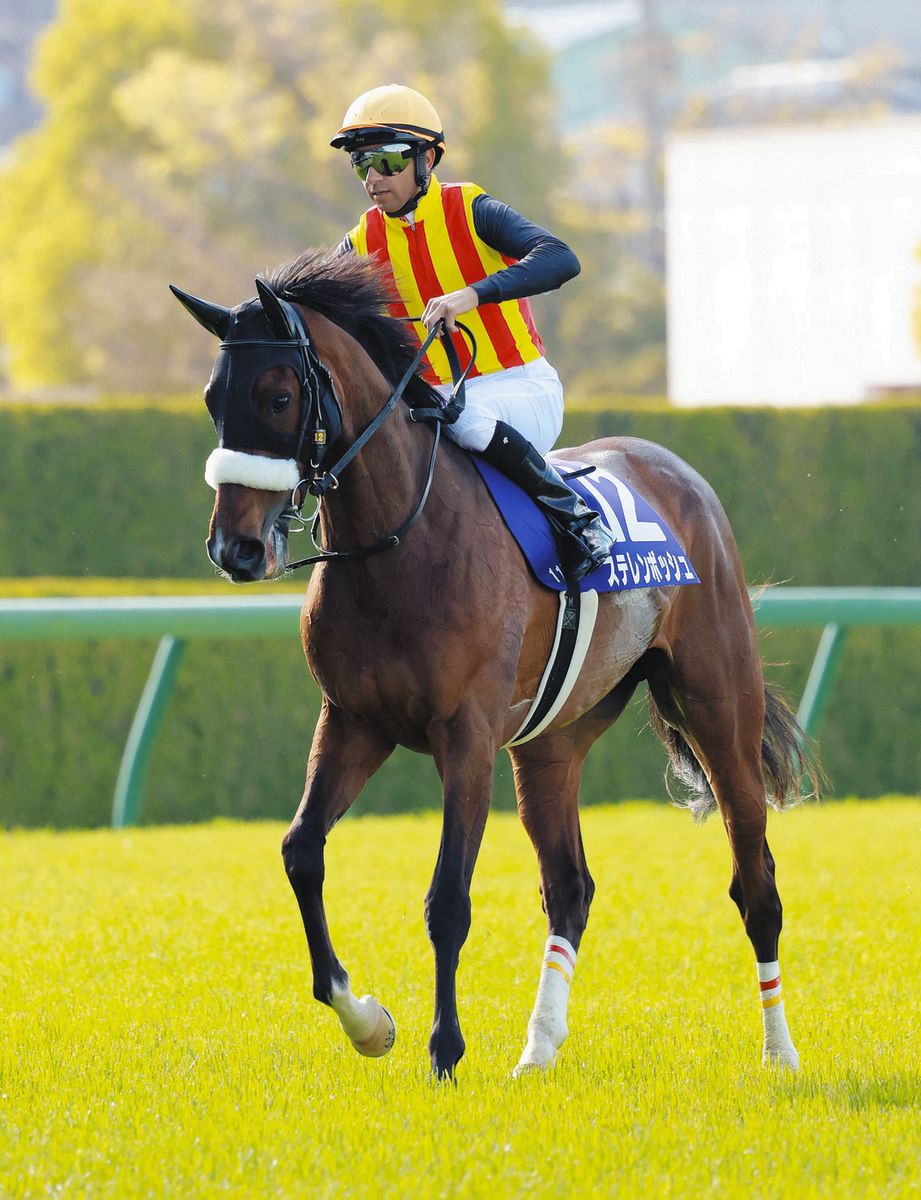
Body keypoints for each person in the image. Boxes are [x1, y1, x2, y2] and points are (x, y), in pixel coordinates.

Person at [330, 83, 614, 583]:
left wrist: (472, 295)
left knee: (464, 416)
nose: (374, 177)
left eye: (389, 161)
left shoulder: (471, 207)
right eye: (361, 164)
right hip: (439, 401)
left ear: (428, 158)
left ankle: (576, 518)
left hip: (519, 386)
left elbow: (560, 258)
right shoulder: (363, 240)